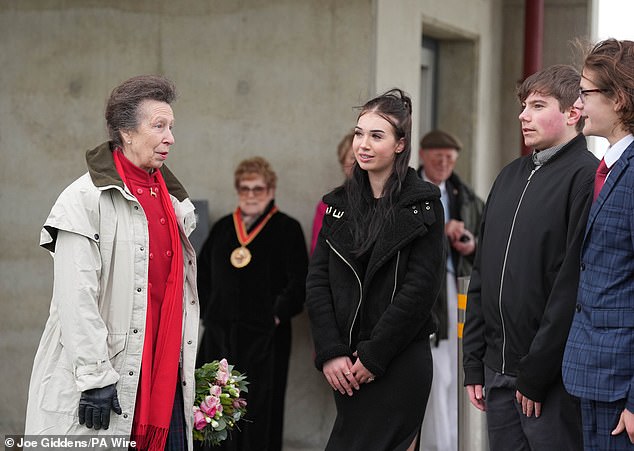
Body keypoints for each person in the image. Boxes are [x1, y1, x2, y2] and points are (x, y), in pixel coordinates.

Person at [24, 75, 200, 451]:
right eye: (159, 126)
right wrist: (94, 377)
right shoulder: (83, 200)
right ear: (126, 132)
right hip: (109, 376)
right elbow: (76, 297)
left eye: (171, 127)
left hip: (163, 370)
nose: (171, 138)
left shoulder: (173, 202)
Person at [462, 64, 598, 450]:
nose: (523, 115)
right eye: (524, 105)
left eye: (538, 105)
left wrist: (536, 374)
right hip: (495, 373)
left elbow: (570, 286)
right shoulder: (507, 176)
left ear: (574, 112)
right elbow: (481, 275)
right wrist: (474, 362)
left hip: (547, 383)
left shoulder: (586, 178)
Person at [306, 88, 445, 451]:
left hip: (397, 362)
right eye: (359, 133)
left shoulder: (423, 205)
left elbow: (420, 291)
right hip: (346, 366)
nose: (363, 144)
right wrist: (331, 351)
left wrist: (374, 355)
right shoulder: (338, 206)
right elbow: (318, 282)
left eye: (376, 135)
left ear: (400, 145)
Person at [195, 156, 308, 451]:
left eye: (257, 189)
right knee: (213, 409)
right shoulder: (222, 229)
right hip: (219, 335)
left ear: (270, 190)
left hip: (264, 338)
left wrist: (276, 315)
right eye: (244, 189)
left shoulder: (287, 229)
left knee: (260, 409)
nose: (251, 195)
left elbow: (300, 282)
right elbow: (201, 275)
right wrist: (210, 312)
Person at [562, 38, 634, 450]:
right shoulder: (608, 167)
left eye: (586, 93)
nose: (579, 104)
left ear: (620, 99)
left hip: (621, 390)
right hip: (591, 375)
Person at [417, 130, 484, 451]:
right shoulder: (408, 190)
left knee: (455, 371)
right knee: (433, 373)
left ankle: (453, 443)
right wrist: (441, 231)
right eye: (437, 156)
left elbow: (487, 239)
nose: (443, 163)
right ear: (422, 155)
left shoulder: (465, 195)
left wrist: (470, 246)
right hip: (423, 293)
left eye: (450, 158)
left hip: (458, 288)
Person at [310, 130, 356, 254]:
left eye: (363, 156)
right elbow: (317, 251)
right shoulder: (327, 205)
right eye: (353, 157)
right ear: (342, 162)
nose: (358, 162)